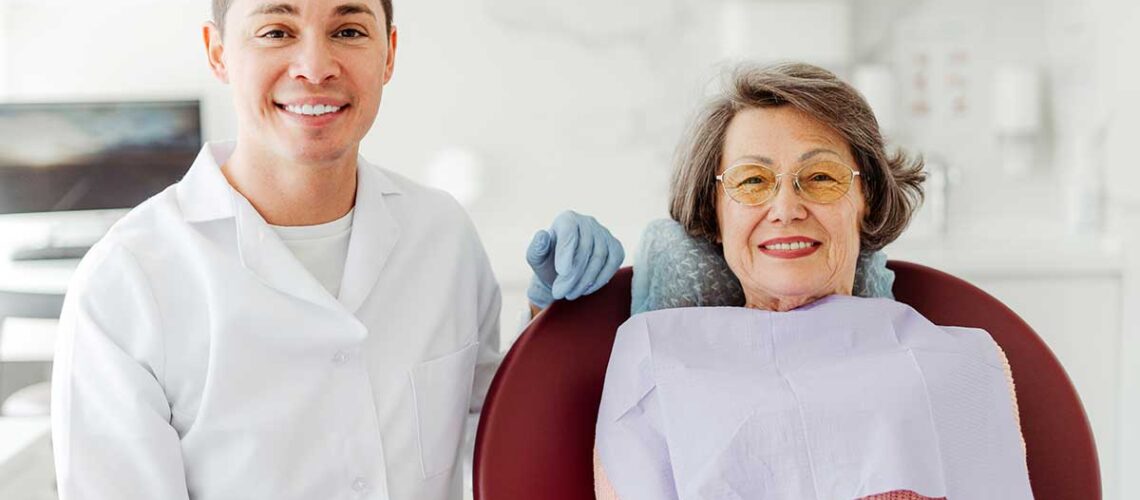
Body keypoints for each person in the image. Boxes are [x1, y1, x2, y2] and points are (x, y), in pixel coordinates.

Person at [49, 1, 623, 499]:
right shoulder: (126, 281)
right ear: (219, 51)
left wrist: (554, 325)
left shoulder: (442, 234)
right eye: (276, 31)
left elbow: (489, 442)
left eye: (349, 30)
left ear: (389, 54)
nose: (316, 67)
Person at [593, 63, 1033, 499]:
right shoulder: (652, 357)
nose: (786, 208)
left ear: (868, 198)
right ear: (715, 212)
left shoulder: (959, 366)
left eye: (821, 177)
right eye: (752, 181)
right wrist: (544, 315)